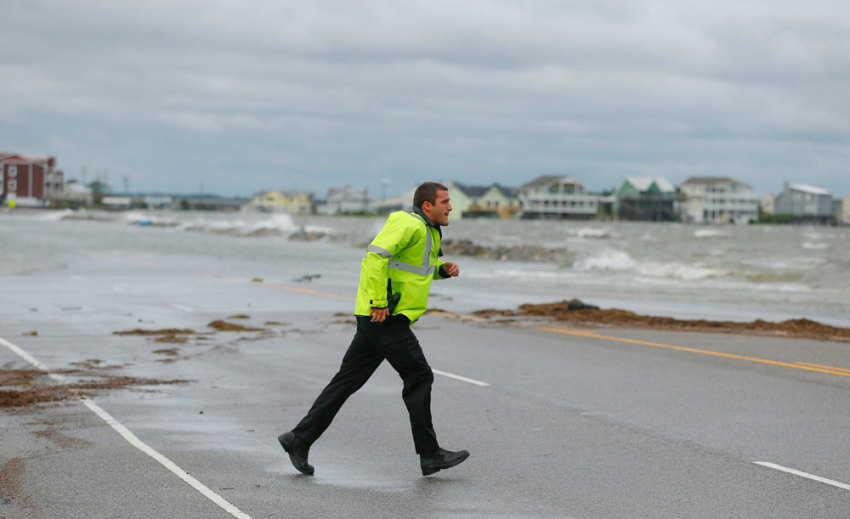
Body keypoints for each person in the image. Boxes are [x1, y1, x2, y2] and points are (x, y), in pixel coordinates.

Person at [279, 181, 470, 477]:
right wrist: (378, 301)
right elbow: (375, 257)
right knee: (419, 375)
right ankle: (430, 455)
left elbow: (409, 269)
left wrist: (441, 271)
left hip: (380, 316)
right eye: (445, 202)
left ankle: (299, 439)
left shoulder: (427, 230)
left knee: (346, 382)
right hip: (385, 316)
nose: (450, 207)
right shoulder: (410, 225)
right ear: (427, 206)